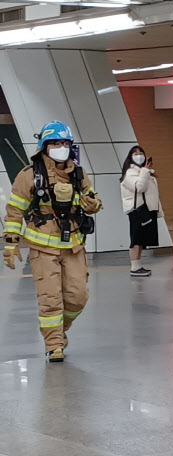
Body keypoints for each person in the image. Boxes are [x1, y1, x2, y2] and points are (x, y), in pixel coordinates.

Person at [3, 121, 102, 362]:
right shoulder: (29, 175)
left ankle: (59, 332)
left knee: (77, 296)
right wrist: (10, 243)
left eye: (65, 143)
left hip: (74, 245)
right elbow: (15, 210)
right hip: (42, 246)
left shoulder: (79, 174)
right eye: (55, 143)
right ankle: (54, 344)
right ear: (44, 146)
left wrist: (92, 204)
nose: (60, 147)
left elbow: (93, 200)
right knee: (50, 298)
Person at [120, 145, 163, 277]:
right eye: (135, 154)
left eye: (141, 153)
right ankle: (134, 267)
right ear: (130, 157)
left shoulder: (144, 171)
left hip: (147, 209)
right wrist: (145, 171)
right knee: (135, 239)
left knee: (141, 239)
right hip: (137, 210)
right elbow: (139, 188)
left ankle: (138, 265)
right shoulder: (130, 173)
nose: (139, 156)